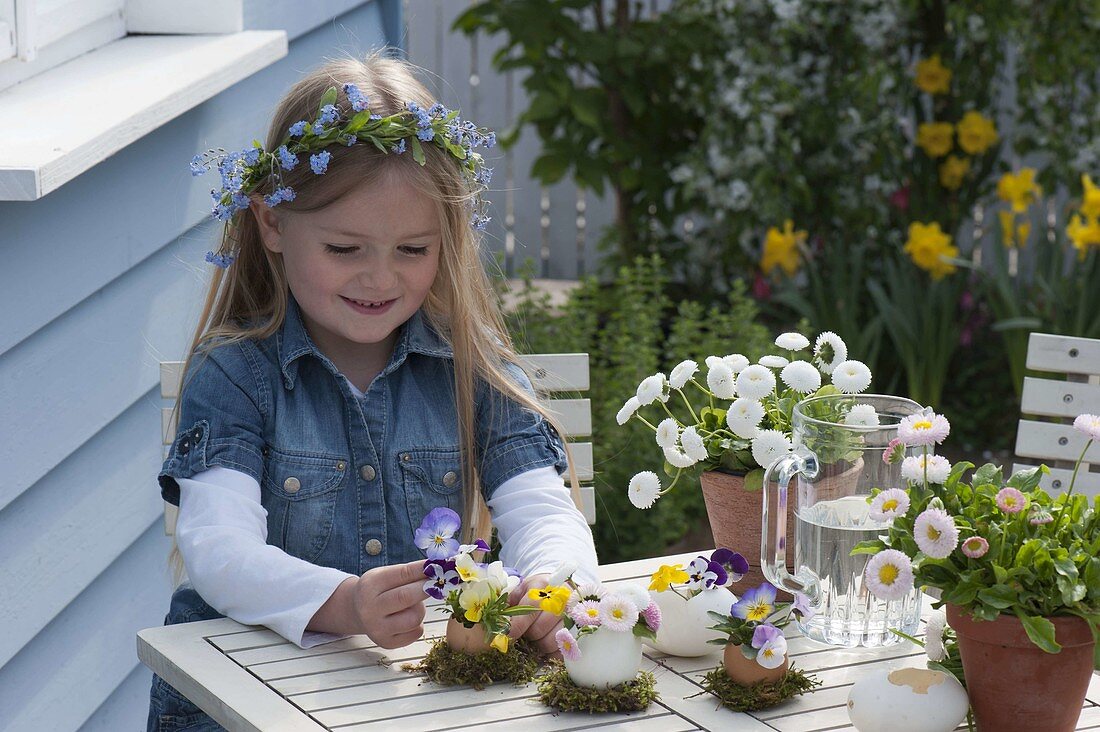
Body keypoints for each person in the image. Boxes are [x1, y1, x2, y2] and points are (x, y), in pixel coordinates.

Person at [147, 53, 599, 731]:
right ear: (272, 223)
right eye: (345, 249)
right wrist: (344, 604)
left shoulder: (470, 366)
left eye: (412, 250)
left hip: (401, 703)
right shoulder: (237, 375)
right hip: (241, 703)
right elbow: (219, 553)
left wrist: (551, 580)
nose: (379, 278)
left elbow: (542, 509)